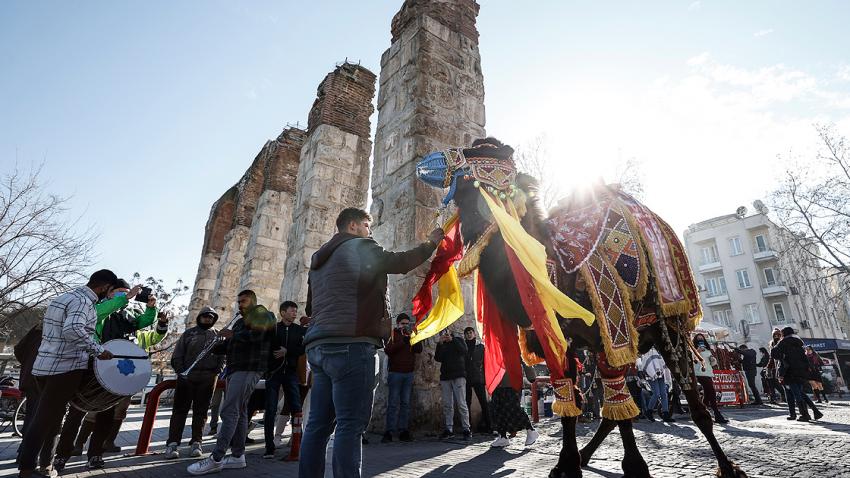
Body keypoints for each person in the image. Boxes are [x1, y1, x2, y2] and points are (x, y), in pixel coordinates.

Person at [298, 207, 443, 478]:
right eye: (367, 225)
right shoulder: (359, 246)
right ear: (353, 226)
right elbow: (399, 262)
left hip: (318, 347)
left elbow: (310, 306)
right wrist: (431, 243)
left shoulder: (319, 261)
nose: (370, 231)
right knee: (350, 425)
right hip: (352, 345)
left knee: (317, 424)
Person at [17, 269, 119, 478]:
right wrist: (98, 350)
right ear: (103, 287)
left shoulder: (63, 298)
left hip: (43, 367)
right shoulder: (84, 303)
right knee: (44, 419)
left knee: (52, 419)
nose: (109, 296)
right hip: (64, 369)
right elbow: (73, 329)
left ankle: (46, 465)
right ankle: (27, 468)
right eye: (109, 292)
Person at [53, 280, 164, 471]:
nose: (124, 295)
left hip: (114, 368)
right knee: (76, 412)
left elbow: (142, 323)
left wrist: (152, 310)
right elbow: (100, 313)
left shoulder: (127, 314)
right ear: (109, 292)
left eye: (127, 292)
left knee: (106, 414)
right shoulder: (97, 308)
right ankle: (62, 455)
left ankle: (95, 454)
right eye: (119, 292)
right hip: (92, 364)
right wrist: (123, 299)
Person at [187, 290, 276, 475]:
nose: (239, 305)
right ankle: (237, 456)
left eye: (243, 301)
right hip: (236, 369)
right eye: (238, 302)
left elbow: (257, 337)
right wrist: (215, 346)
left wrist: (231, 335)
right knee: (241, 412)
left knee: (229, 411)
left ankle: (216, 458)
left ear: (252, 301)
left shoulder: (263, 314)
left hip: (249, 368)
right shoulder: (241, 323)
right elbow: (231, 345)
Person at [165, 307, 224, 459]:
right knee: (179, 411)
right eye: (205, 317)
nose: (207, 319)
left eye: (211, 317)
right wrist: (181, 372)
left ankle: (196, 442)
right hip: (187, 378)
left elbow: (222, 357)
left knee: (201, 412)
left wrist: (215, 372)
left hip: (208, 379)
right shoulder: (189, 334)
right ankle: (172, 444)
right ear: (199, 317)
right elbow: (177, 355)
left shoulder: (217, 335)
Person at [262, 300, 305, 458]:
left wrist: (288, 351)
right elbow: (265, 348)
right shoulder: (273, 329)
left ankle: (296, 445)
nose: (295, 313)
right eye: (292, 310)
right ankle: (269, 447)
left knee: (296, 409)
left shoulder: (300, 330)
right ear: (283, 312)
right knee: (271, 409)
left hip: (291, 374)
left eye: (295, 310)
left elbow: (304, 348)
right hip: (273, 374)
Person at [382, 313, 423, 443]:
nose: (405, 326)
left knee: (405, 403)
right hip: (395, 373)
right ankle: (389, 431)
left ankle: (403, 430)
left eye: (407, 323)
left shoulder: (411, 334)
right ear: (398, 323)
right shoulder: (393, 334)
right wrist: (402, 342)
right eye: (403, 323)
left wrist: (415, 337)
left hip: (408, 373)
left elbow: (419, 349)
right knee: (393, 403)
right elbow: (388, 350)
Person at [771, 327, 822, 422]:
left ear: (783, 334)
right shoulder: (798, 342)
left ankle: (805, 414)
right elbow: (804, 358)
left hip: (790, 371)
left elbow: (774, 354)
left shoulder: (783, 343)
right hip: (801, 371)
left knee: (797, 393)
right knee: (797, 392)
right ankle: (813, 412)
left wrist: (777, 344)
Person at [490, 360, 539, 448]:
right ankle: (502, 436)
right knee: (497, 410)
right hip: (497, 381)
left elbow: (524, 359)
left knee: (514, 409)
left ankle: (531, 430)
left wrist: (531, 375)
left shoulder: (514, 346)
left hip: (512, 381)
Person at [435, 329, 471, 441]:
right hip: (446, 377)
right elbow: (438, 358)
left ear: (450, 331)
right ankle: (449, 429)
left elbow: (464, 351)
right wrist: (440, 344)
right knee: (447, 404)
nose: (445, 334)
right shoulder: (442, 344)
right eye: (442, 333)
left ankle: (466, 429)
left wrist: (453, 340)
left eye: (446, 332)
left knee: (461, 403)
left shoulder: (458, 340)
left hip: (458, 376)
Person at [692, 334, 728, 424]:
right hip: (699, 372)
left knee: (708, 394)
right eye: (698, 338)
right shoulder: (693, 349)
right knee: (711, 392)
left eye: (702, 338)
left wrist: (713, 359)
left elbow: (711, 362)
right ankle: (717, 414)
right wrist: (697, 351)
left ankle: (703, 414)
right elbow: (692, 360)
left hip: (708, 372)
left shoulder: (708, 350)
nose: (700, 340)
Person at [463, 326, 491, 433]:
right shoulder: (463, 346)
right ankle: (468, 427)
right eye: (467, 333)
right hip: (466, 378)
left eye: (471, 332)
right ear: (465, 335)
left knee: (483, 402)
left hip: (478, 378)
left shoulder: (480, 347)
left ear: (474, 334)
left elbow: (486, 363)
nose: (469, 334)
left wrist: (485, 377)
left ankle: (489, 426)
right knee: (466, 403)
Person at [639, 347, 675, 422]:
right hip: (651, 375)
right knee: (656, 393)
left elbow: (662, 361)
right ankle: (649, 411)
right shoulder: (647, 350)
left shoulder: (659, 349)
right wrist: (652, 372)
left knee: (664, 394)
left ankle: (666, 414)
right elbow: (646, 362)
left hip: (661, 374)